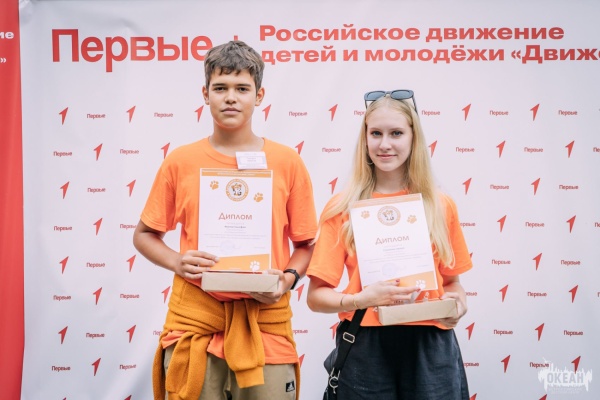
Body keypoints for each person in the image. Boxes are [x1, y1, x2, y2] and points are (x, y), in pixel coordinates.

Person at [133, 40, 317, 400]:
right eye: (220, 88)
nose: (231, 98)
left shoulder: (287, 161)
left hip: (265, 325)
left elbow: (306, 244)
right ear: (205, 94)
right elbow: (144, 235)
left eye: (242, 89)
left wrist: (287, 279)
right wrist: (177, 261)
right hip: (195, 323)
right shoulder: (180, 161)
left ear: (259, 96)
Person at [306, 90, 472, 399]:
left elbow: (453, 284)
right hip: (365, 342)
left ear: (413, 137)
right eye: (376, 133)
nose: (385, 144)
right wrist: (360, 299)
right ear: (365, 139)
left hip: (430, 342)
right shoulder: (341, 207)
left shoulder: (440, 205)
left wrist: (458, 305)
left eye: (396, 133)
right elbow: (316, 298)